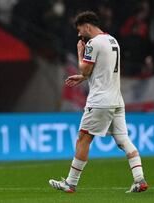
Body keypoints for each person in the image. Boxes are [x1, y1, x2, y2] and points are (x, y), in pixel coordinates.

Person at [49, 11, 148, 193]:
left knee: (83, 139)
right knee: (123, 140)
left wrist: (80, 54)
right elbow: (102, 71)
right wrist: (83, 77)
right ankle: (140, 179)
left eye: (80, 30)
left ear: (87, 26)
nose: (80, 35)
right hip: (116, 100)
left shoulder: (93, 43)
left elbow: (86, 69)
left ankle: (70, 183)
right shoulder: (113, 40)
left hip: (100, 101)